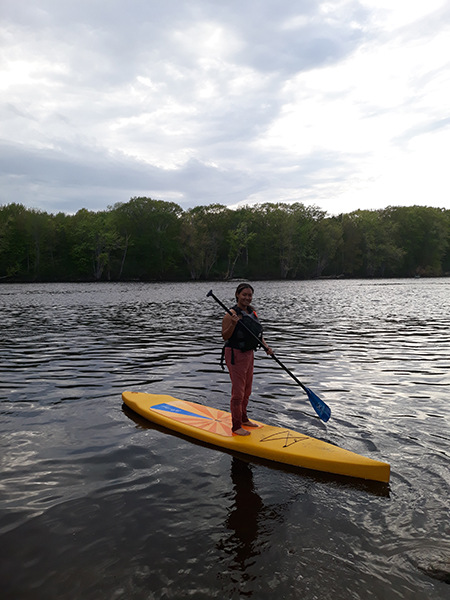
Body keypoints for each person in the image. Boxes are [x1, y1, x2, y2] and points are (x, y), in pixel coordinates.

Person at [222, 283, 273, 436]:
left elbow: (257, 333)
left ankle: (244, 418)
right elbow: (225, 336)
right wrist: (233, 323)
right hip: (235, 354)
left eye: (249, 295)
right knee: (238, 392)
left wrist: (266, 346)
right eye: (244, 294)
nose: (247, 298)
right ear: (237, 294)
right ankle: (236, 426)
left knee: (247, 390)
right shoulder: (230, 313)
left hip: (249, 353)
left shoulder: (252, 312)